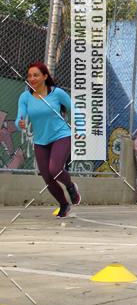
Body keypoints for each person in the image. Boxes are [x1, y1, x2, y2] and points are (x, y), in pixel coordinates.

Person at [17, 61, 80, 218]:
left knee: (55, 169)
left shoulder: (57, 93)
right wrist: (20, 123)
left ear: (45, 76)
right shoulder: (25, 97)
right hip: (40, 141)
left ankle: (71, 187)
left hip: (61, 136)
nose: (32, 78)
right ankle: (64, 205)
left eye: (36, 75)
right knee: (47, 177)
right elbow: (20, 117)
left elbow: (75, 109)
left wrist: (82, 128)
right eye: (30, 75)